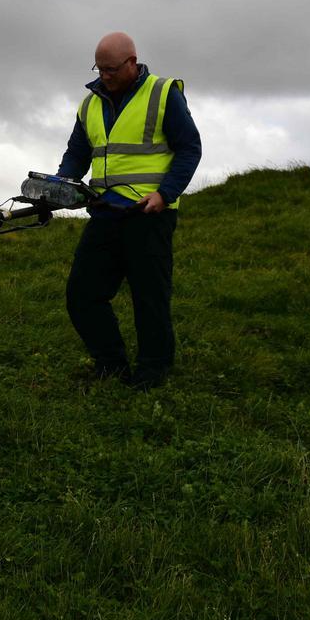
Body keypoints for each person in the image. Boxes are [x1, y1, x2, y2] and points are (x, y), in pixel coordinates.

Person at [54, 32, 202, 388]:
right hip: (104, 213)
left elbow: (189, 149)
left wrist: (164, 194)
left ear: (132, 63)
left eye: (111, 69)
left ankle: (153, 370)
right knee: (82, 295)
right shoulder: (89, 104)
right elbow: (77, 153)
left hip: (149, 214)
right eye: (99, 68)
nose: (104, 75)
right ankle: (111, 364)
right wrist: (60, 185)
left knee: (149, 297)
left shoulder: (163, 94)